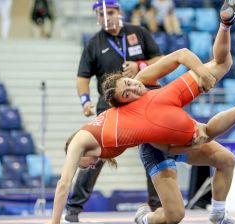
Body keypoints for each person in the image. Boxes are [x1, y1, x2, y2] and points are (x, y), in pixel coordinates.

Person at [51, 0, 235, 223]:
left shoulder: (141, 74)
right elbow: (144, 133)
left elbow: (179, 55)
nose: (134, 87)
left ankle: (226, 26)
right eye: (128, 92)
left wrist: (200, 71)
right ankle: (145, 217)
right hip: (158, 139)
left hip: (165, 113)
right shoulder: (121, 96)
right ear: (124, 103)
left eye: (130, 84)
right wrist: (85, 101)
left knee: (224, 155)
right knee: (175, 215)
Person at [65, 0, 163, 222]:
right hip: (109, 106)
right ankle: (73, 210)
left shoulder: (138, 32)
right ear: (97, 17)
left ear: (119, 12)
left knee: (155, 151)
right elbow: (82, 77)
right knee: (94, 155)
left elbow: (161, 60)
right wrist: (85, 101)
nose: (106, 17)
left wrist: (140, 66)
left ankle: (157, 207)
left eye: (110, 12)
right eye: (101, 14)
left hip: (142, 103)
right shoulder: (93, 44)